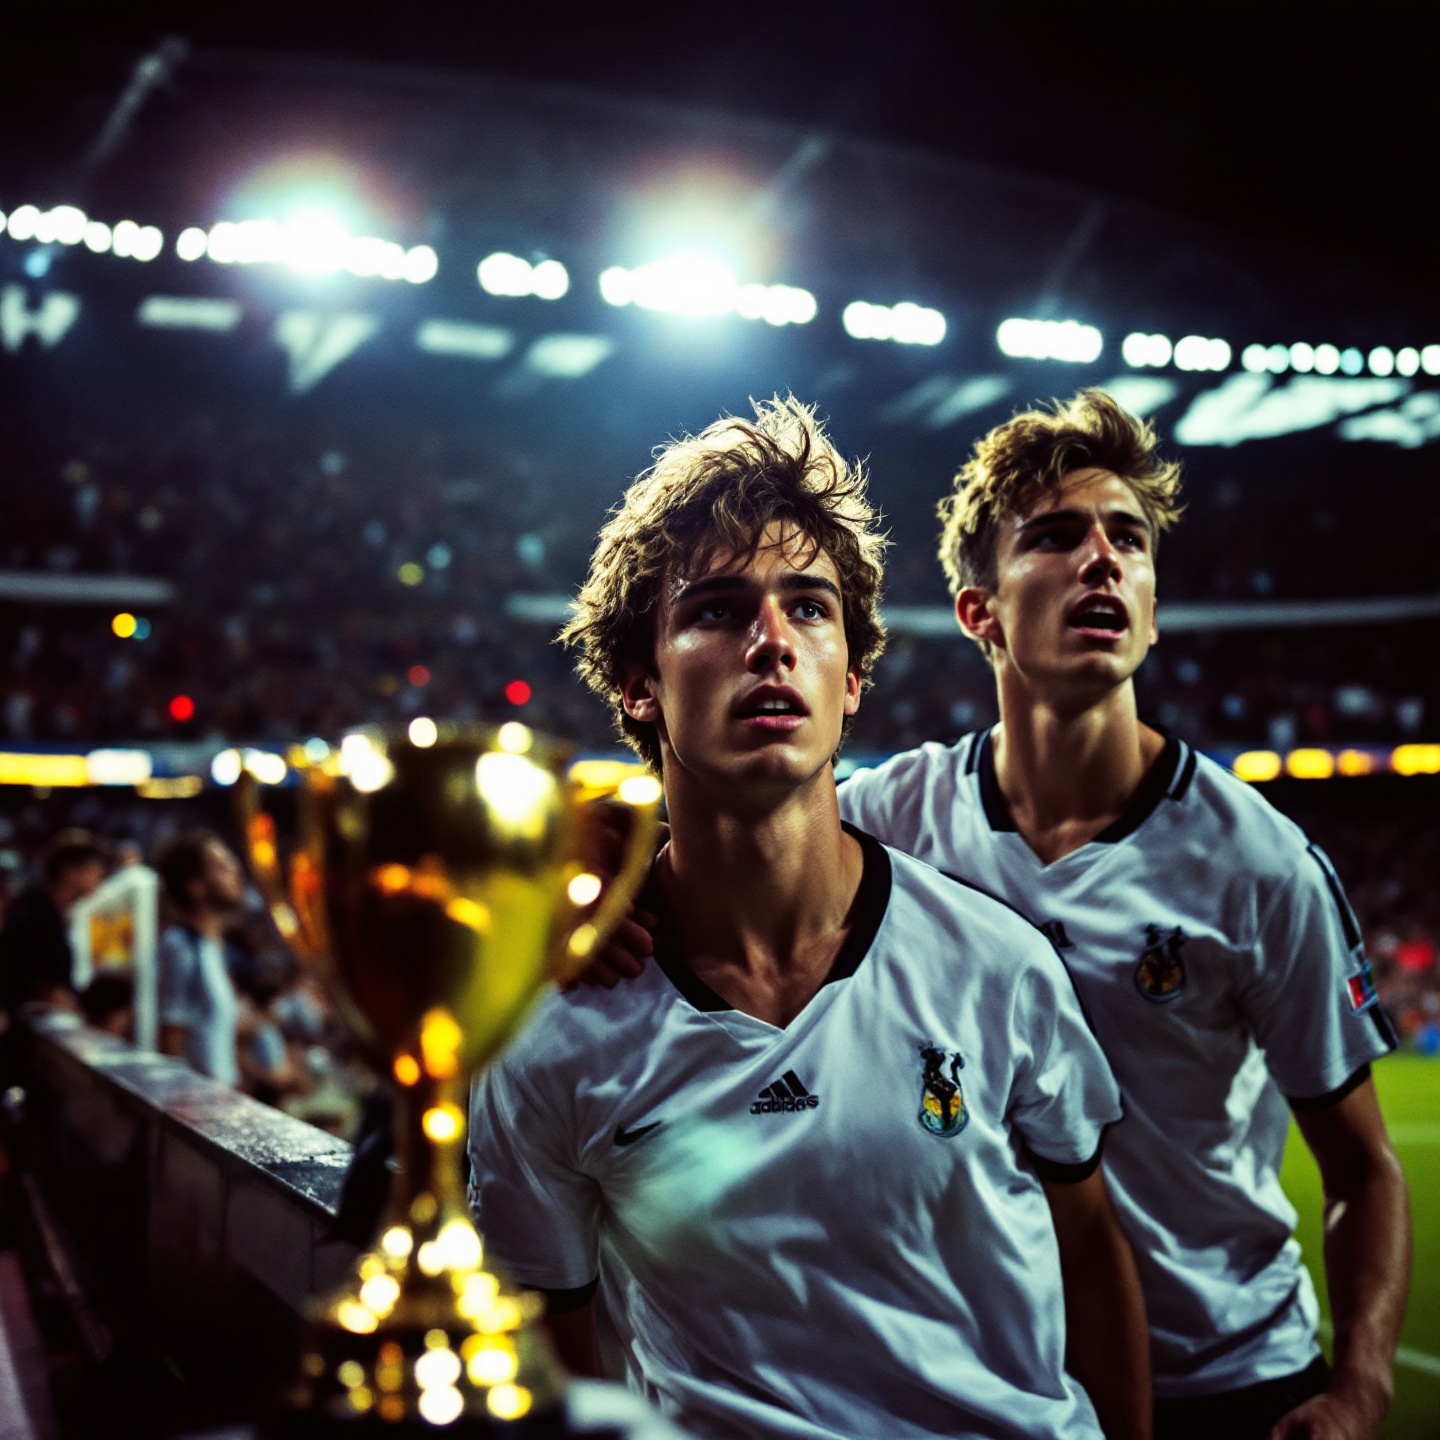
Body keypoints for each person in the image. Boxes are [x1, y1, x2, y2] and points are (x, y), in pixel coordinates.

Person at [595, 391, 1410, 1440]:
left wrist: (1363, 1385)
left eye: (1129, 539)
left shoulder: (1259, 863)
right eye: (1057, 536)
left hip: (1229, 1376)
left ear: (1154, 609)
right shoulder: (895, 816)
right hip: (1012, 1370)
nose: (1102, 560)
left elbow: (1362, 1169)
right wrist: (604, 857)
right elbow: (739, 831)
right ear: (978, 611)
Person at [469, 399, 1150, 1440]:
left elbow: (1093, 1259)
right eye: (717, 611)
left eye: (810, 608)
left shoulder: (998, 963)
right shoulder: (552, 1029)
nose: (772, 642)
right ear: (639, 684)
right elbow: (557, 1368)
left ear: (855, 678)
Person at [154, 830, 246, 1086]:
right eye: (221, 867)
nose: (236, 871)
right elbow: (170, 1040)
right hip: (197, 1103)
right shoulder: (180, 946)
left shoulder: (210, 946)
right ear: (195, 887)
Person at [0, 828, 108, 1017]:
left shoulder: (52, 912)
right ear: (69, 872)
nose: (100, 877)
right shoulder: (33, 915)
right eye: (93, 870)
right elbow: (22, 976)